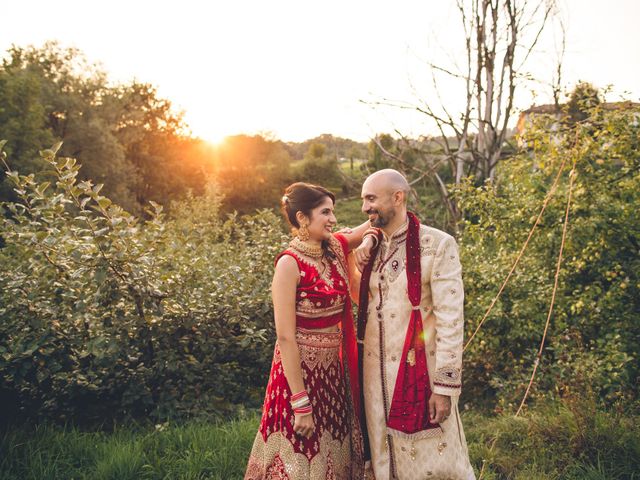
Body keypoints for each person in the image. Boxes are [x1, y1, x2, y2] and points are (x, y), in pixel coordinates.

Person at [245, 182, 374, 480]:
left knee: (333, 453)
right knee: (298, 455)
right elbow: (286, 336)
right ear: (302, 218)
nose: (332, 218)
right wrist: (300, 402)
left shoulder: (336, 248)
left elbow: (372, 223)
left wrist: (367, 240)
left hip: (333, 374)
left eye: (333, 211)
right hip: (298, 375)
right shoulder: (289, 265)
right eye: (325, 212)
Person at [354, 169, 476, 480]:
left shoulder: (437, 245)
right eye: (363, 199)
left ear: (398, 197)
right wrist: (367, 238)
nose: (365, 207)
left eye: (371, 199)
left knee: (436, 463)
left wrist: (445, 387)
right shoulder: (372, 246)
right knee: (383, 459)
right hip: (376, 379)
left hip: (421, 374)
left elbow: (451, 318)